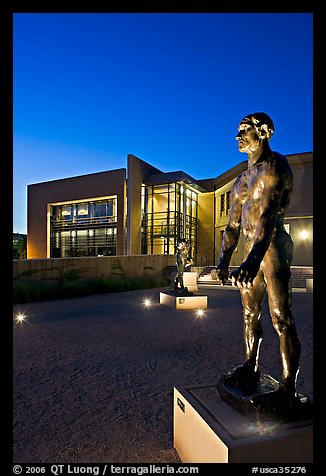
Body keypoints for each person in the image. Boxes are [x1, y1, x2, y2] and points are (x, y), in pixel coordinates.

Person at [214, 112, 301, 400]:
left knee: (281, 318)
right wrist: (224, 259)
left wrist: (251, 261)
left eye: (244, 130)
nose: (237, 136)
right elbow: (233, 224)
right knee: (249, 312)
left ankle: (289, 387)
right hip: (251, 249)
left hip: (273, 247)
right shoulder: (241, 180)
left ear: (263, 132)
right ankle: (250, 366)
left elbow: (268, 214)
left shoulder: (275, 165)